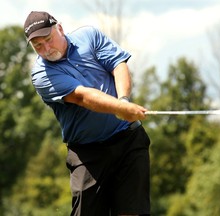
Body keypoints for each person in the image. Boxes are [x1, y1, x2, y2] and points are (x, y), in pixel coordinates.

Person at [24, 11, 151, 216]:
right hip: (87, 154)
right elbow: (82, 97)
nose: (46, 49)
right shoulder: (41, 75)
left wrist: (124, 100)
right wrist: (120, 109)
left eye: (48, 39)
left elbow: (118, 65)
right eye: (38, 46)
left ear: (60, 29)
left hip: (128, 141)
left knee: (131, 212)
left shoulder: (89, 36)